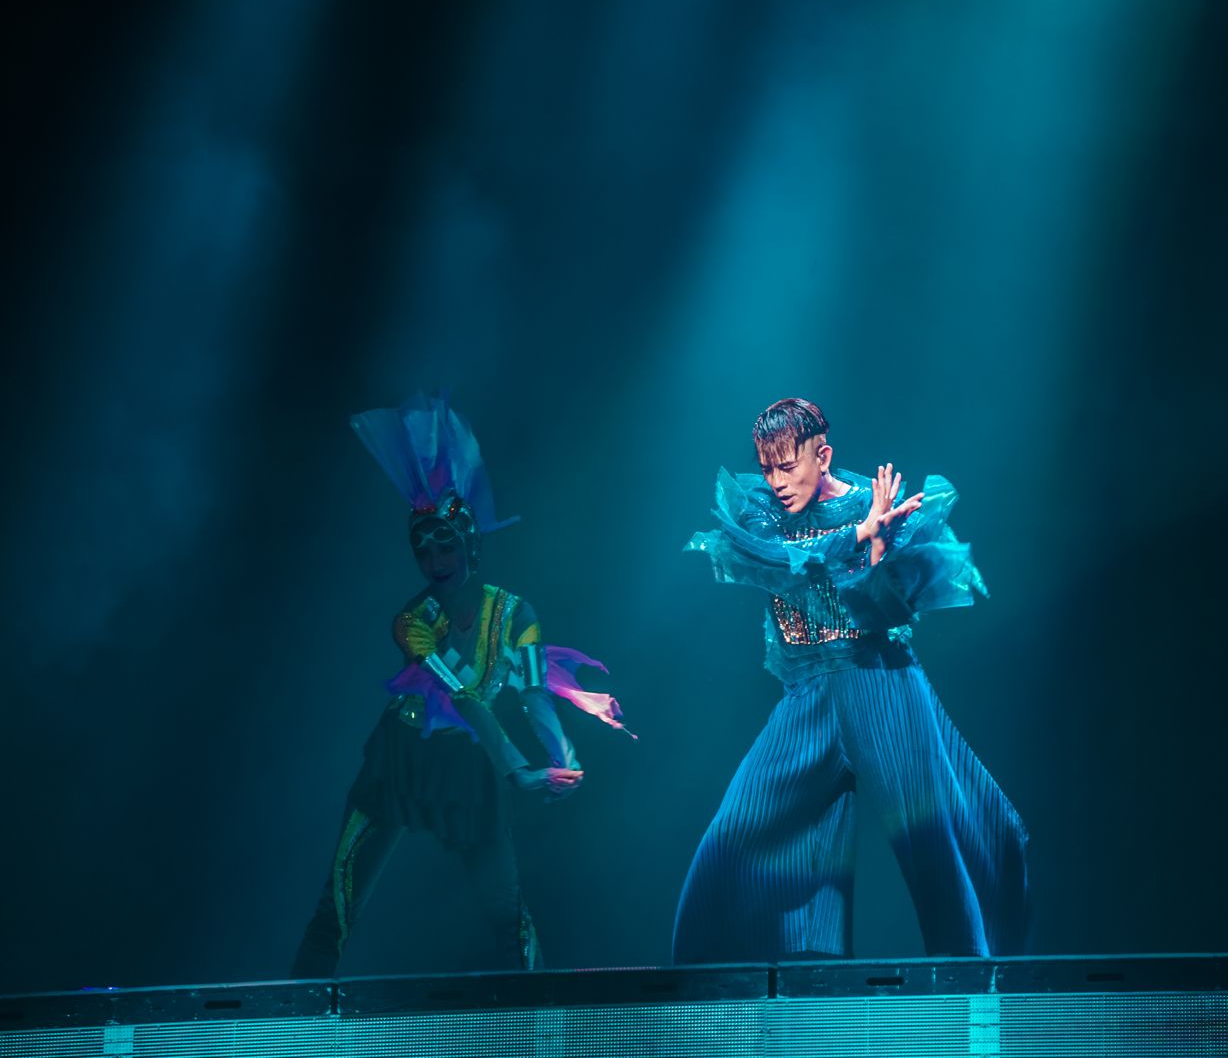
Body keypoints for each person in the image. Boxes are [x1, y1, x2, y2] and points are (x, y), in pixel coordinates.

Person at [672, 397, 1030, 963]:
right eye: (767, 468)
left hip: (880, 683)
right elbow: (775, 558)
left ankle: (971, 987)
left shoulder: (871, 501)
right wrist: (859, 536)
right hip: (808, 698)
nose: (776, 481)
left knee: (933, 837)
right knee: (732, 838)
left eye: (787, 466)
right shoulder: (763, 510)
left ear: (822, 456)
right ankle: (743, 988)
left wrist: (879, 547)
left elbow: (890, 606)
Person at [291, 394, 625, 977]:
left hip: (470, 764)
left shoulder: (516, 613)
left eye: (445, 545)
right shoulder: (413, 621)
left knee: (506, 912)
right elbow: (465, 694)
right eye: (422, 550)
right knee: (339, 901)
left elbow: (532, 690)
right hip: (401, 758)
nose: (435, 560)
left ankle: (538, 1017)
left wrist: (562, 758)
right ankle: (295, 1016)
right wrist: (520, 772)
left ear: (469, 543)